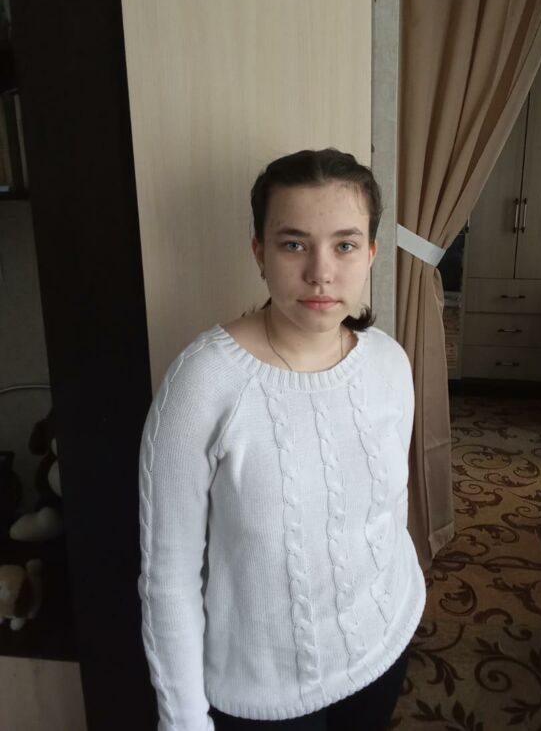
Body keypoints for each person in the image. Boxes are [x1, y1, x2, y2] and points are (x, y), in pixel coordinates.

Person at [138, 148, 426, 731]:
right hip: (263, 687)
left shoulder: (389, 362)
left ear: (371, 253)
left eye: (345, 245)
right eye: (294, 244)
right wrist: (184, 720)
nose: (321, 272)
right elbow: (168, 576)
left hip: (384, 643)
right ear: (259, 253)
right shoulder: (203, 384)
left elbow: (389, 511)